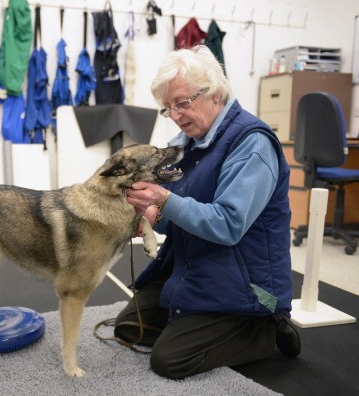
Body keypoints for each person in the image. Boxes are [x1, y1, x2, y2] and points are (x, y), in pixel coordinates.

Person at [114, 45, 300, 379]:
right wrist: (149, 211)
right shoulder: (187, 143)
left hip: (246, 282)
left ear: (214, 92)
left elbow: (227, 225)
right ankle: (200, 326)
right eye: (168, 108)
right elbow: (178, 218)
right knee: (128, 326)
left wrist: (164, 201)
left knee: (168, 360)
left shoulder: (252, 143)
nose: (175, 114)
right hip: (197, 263)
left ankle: (267, 328)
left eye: (182, 103)